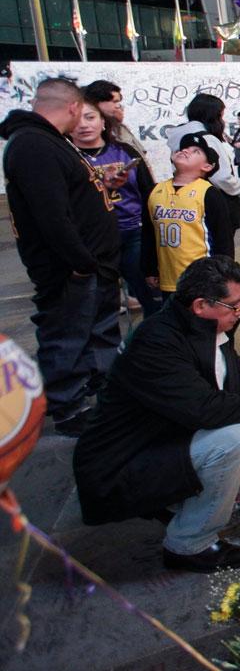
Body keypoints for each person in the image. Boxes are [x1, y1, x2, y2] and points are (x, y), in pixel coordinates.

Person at [73, 256, 240, 571]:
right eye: (234, 305)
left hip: (172, 439)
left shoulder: (210, 330)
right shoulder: (157, 341)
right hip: (122, 463)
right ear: (201, 305)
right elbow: (207, 410)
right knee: (235, 437)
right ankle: (188, 545)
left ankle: (191, 498)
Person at [0, 78, 121, 436]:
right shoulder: (34, 146)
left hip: (90, 265)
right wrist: (80, 263)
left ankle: (96, 392)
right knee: (68, 336)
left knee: (91, 334)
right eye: (80, 114)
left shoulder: (50, 144)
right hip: (70, 269)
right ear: (71, 108)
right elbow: (51, 215)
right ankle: (67, 406)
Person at [71, 96, 159, 317]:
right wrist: (102, 185)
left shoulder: (124, 151)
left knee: (148, 291)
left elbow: (148, 189)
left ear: (103, 122)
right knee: (101, 298)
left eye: (90, 117)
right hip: (93, 239)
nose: (84, 125)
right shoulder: (68, 157)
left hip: (133, 231)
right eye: (76, 119)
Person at [145, 134, 235, 298]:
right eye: (183, 148)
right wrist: (150, 269)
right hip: (168, 280)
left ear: (207, 166)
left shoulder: (208, 193)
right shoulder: (156, 191)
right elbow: (149, 234)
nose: (186, 151)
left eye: (195, 151)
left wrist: (224, 276)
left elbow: (223, 238)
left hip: (202, 281)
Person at [165, 94, 240, 245]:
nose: (222, 121)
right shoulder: (208, 140)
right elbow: (221, 177)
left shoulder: (179, 140)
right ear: (212, 116)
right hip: (216, 202)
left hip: (189, 201)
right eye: (221, 116)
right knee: (221, 254)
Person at [82, 79, 146, 161]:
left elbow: (140, 155)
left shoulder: (119, 127)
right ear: (98, 102)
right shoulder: (89, 129)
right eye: (114, 102)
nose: (118, 106)